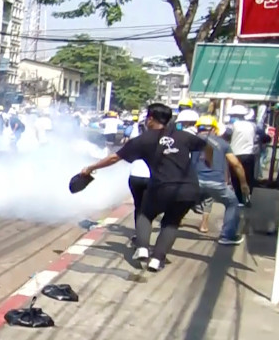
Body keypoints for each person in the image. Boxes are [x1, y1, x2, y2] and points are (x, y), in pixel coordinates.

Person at [80, 103, 208, 272]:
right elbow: (208, 146)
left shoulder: (143, 140)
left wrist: (91, 168)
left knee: (145, 214)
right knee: (171, 223)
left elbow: (113, 158)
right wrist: (209, 161)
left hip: (162, 187)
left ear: (150, 119)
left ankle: (142, 248)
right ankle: (157, 259)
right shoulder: (184, 136)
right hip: (189, 188)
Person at [194, 116, 248, 244]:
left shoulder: (190, 140)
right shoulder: (223, 143)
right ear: (214, 129)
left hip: (194, 181)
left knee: (181, 201)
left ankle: (168, 227)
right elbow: (236, 164)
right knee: (232, 203)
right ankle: (227, 236)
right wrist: (243, 183)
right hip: (215, 183)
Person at [223, 105, 262, 204]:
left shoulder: (231, 126)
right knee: (248, 177)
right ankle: (247, 197)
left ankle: (239, 199)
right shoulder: (253, 125)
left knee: (235, 177)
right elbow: (264, 137)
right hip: (249, 155)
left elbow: (224, 137)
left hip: (235, 155)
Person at [126, 114, 150, 244]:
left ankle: (139, 235)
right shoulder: (162, 139)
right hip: (152, 177)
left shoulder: (136, 138)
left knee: (139, 207)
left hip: (135, 175)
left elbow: (119, 156)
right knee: (148, 209)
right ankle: (143, 239)